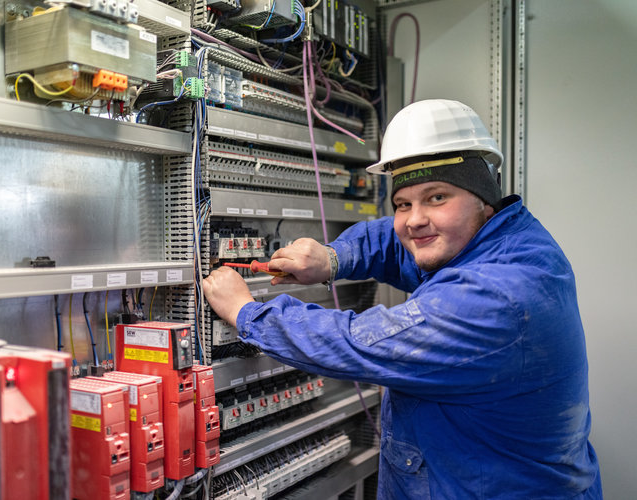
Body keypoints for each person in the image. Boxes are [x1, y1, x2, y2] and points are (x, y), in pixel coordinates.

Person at [203, 99, 602, 499]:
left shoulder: (498, 296)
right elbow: (396, 242)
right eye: (402, 203)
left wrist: (247, 312)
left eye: (437, 197)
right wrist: (334, 258)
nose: (414, 218)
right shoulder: (499, 241)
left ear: (484, 199)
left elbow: (357, 342)